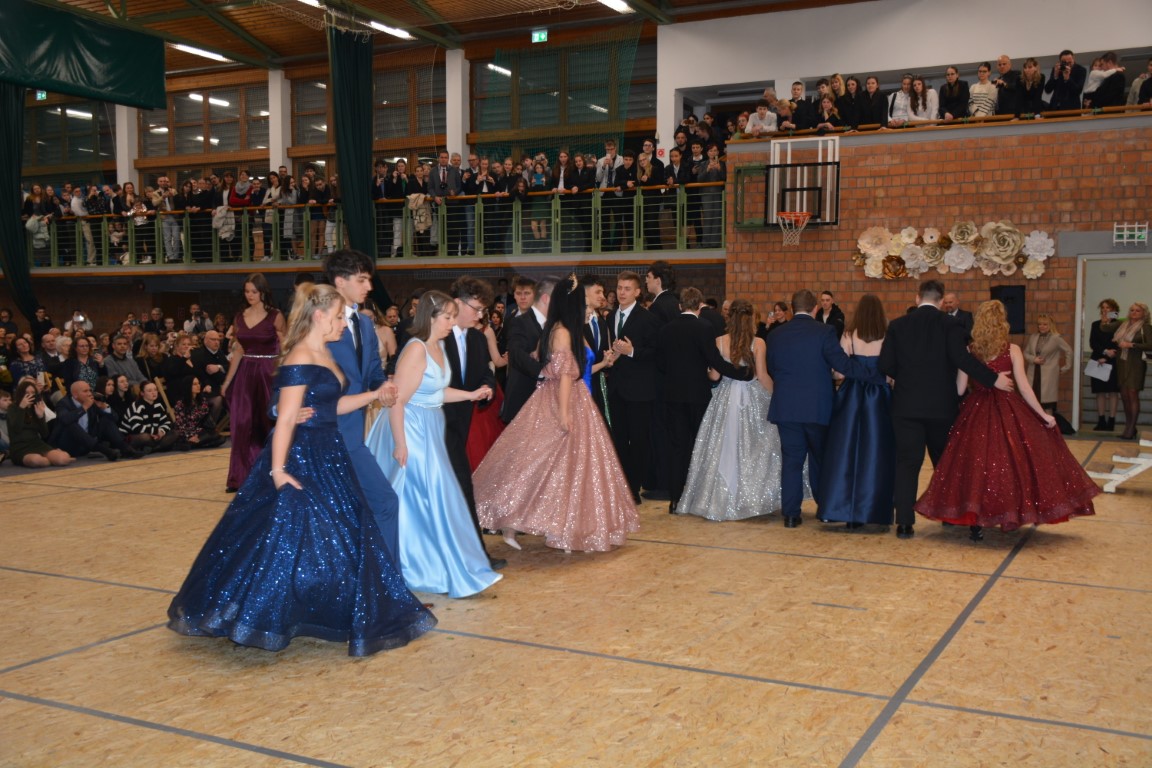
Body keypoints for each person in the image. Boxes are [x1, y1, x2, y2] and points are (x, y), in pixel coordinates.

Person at [167, 282, 436, 656]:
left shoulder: (325, 353)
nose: (342, 323)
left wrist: (375, 394)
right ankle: (260, 612)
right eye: (338, 317)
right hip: (302, 455)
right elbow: (286, 419)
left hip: (330, 452)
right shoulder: (299, 356)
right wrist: (278, 471)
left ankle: (329, 607)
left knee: (339, 533)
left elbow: (332, 407)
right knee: (286, 538)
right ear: (320, 315)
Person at [474, 275, 639, 553]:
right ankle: (517, 520)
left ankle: (555, 525)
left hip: (567, 396)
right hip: (563, 399)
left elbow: (548, 361)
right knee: (543, 463)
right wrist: (563, 413)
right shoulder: (562, 332)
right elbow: (563, 375)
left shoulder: (561, 329)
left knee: (561, 467)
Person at [915, 301, 1098, 539]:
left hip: (975, 411)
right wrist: (1043, 415)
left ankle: (976, 521)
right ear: (1003, 323)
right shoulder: (1012, 350)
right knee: (1010, 464)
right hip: (1008, 409)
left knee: (976, 466)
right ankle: (1009, 513)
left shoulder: (969, 351)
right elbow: (1024, 388)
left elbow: (959, 389)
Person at [365, 291, 501, 598]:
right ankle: (406, 565)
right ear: (431, 317)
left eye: (453, 316)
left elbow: (436, 393)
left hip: (430, 427)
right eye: (448, 317)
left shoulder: (437, 346)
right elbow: (398, 401)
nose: (452, 322)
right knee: (412, 495)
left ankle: (433, 563)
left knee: (436, 497)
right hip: (410, 427)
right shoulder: (416, 349)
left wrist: (470, 395)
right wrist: (400, 444)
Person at [878, 280, 1013, 540]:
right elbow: (963, 359)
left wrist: (904, 377)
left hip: (906, 405)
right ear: (941, 301)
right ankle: (949, 515)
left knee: (907, 464)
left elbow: (885, 364)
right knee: (945, 463)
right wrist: (993, 379)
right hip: (941, 407)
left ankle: (904, 523)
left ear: (917, 298)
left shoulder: (897, 325)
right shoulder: (951, 325)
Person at [322, 250, 403, 569]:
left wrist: (384, 387)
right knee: (332, 514)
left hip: (353, 434)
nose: (369, 287)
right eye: (362, 280)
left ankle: (383, 582)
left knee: (384, 502)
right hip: (324, 431)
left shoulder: (366, 324)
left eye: (369, 279)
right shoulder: (320, 322)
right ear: (339, 282)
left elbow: (371, 371)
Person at [677, 299, 788, 521]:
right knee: (754, 445)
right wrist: (777, 396)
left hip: (726, 397)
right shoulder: (758, 342)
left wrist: (707, 372)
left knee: (722, 445)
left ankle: (720, 496)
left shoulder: (720, 341)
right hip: (751, 396)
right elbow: (762, 376)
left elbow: (715, 376)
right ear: (751, 317)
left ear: (730, 317)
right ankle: (750, 498)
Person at [764, 290, 866, 529]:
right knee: (821, 458)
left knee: (791, 461)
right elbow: (841, 364)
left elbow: (772, 368)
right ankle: (825, 508)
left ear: (792, 308)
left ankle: (791, 515)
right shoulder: (824, 332)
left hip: (786, 406)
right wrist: (871, 373)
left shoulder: (776, 334)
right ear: (815, 308)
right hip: (817, 406)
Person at [654, 287, 752, 514]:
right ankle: (697, 496)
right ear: (699, 306)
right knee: (700, 444)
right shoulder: (704, 328)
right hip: (698, 395)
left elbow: (660, 364)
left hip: (673, 395)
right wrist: (743, 373)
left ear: (680, 305)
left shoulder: (666, 330)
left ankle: (675, 499)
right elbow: (715, 361)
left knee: (677, 447)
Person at [440, 276, 506, 571]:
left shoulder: (477, 339)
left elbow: (485, 373)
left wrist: (487, 387)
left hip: (460, 424)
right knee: (457, 488)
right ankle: (467, 556)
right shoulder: (437, 336)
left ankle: (473, 555)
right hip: (435, 425)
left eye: (483, 310)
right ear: (457, 303)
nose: (480, 316)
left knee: (462, 487)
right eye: (476, 308)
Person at [817, 295, 894, 528]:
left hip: (852, 395)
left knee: (845, 450)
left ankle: (841, 508)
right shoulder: (888, 335)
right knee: (876, 452)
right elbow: (892, 372)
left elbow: (839, 372)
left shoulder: (850, 334)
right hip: (879, 396)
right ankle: (872, 511)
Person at [220, 274, 284, 493]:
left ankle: (271, 475)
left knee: (268, 424)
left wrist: (286, 376)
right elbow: (239, 349)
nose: (250, 295)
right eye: (247, 291)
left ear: (263, 292)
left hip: (268, 373)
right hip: (246, 374)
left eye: (254, 292)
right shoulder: (240, 316)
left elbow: (284, 348)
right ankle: (239, 478)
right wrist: (228, 381)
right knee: (242, 425)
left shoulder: (275, 316)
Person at [8, 378, 73, 468]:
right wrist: (21, 408)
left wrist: (40, 417)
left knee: (63, 459)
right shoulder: (12, 408)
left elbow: (45, 434)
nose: (30, 395)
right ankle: (49, 458)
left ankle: (54, 457)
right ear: (21, 393)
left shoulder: (36, 407)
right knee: (37, 461)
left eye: (32, 392)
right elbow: (16, 429)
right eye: (27, 392)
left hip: (36, 443)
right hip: (20, 447)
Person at [1024, 314, 1074, 424]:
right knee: (1032, 403)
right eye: (1040, 324)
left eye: (1045, 324)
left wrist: (1066, 367)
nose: (1042, 326)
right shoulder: (1033, 337)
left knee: (1047, 404)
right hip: (1033, 374)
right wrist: (1033, 359)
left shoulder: (1056, 338)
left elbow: (1069, 351)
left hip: (1048, 375)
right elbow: (1026, 353)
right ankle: (1035, 429)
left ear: (1050, 325)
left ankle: (1051, 429)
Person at [1113, 302, 1152, 440]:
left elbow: (1150, 345)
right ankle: (1130, 426)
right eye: (1132, 310)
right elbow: (1105, 328)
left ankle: (1130, 428)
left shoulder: (1145, 327)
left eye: (1137, 310)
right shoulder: (1123, 324)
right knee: (1124, 395)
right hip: (1122, 362)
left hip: (1136, 363)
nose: (1134, 312)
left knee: (1132, 394)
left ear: (1144, 313)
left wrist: (1132, 344)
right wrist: (1107, 318)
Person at [1088, 298, 1121, 431]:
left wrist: (1108, 356)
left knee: (1113, 392)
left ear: (1114, 310)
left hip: (1113, 360)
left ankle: (1111, 420)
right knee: (1100, 392)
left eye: (1108, 308)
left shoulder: (1118, 324)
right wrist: (1104, 352)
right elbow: (1093, 343)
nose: (1105, 310)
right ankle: (1101, 420)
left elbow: (1118, 343)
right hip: (1098, 359)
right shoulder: (1095, 324)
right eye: (1103, 307)